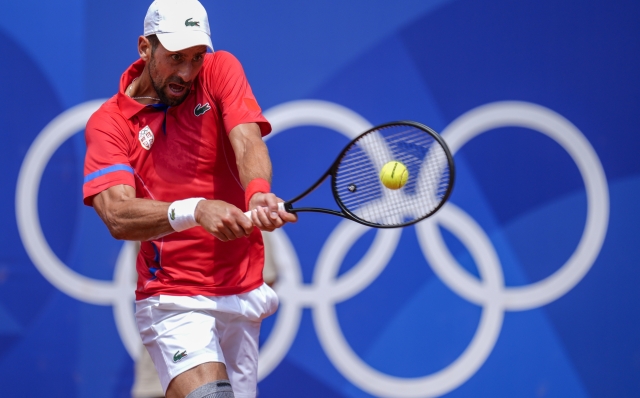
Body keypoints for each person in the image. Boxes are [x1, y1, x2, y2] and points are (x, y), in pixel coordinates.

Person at [82, 0, 296, 397]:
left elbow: (247, 140)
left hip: (242, 286)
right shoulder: (109, 123)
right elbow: (116, 214)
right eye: (175, 57)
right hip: (173, 296)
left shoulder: (219, 70)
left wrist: (258, 192)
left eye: (196, 57)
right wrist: (195, 209)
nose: (187, 71)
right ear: (145, 48)